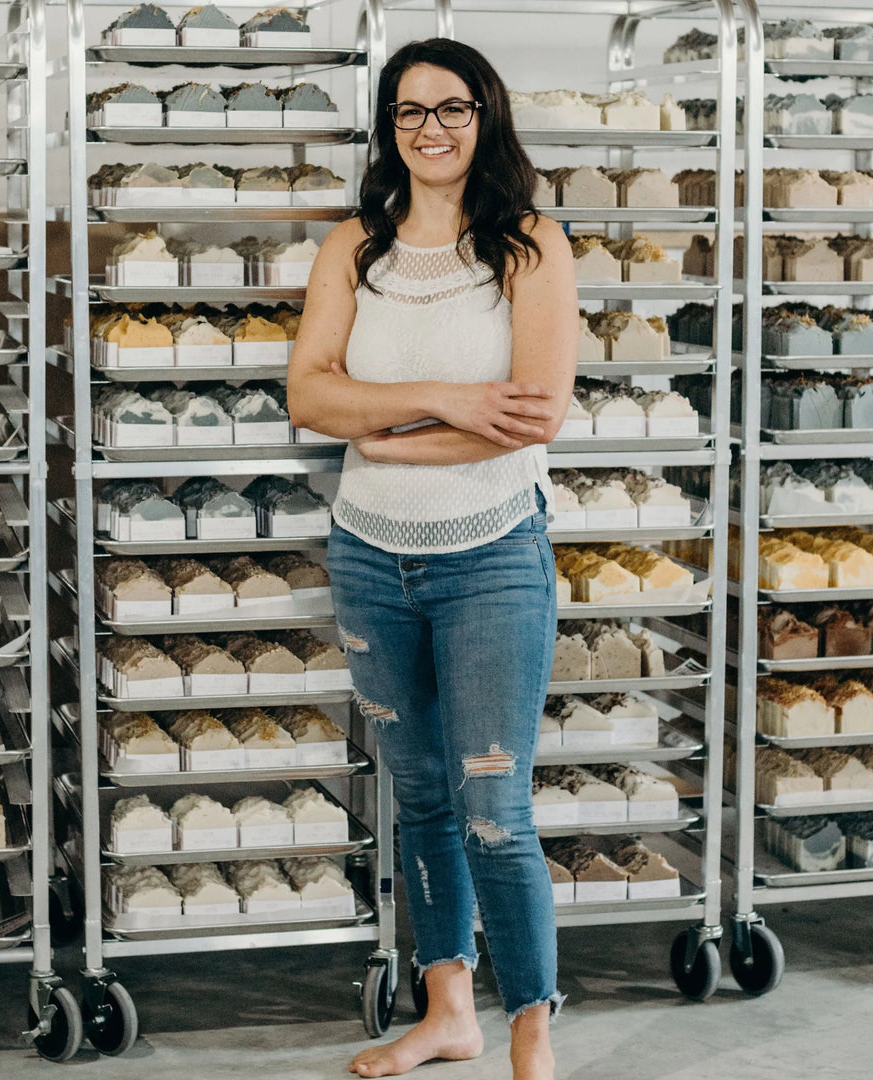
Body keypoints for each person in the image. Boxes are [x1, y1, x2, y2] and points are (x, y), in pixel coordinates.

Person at [287, 36, 578, 1080]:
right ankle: (448, 1010)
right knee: (417, 798)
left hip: (493, 553)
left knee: (494, 809)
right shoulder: (351, 249)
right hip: (371, 556)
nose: (432, 129)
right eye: (410, 112)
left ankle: (532, 1031)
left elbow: (536, 414)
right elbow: (309, 398)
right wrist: (450, 400)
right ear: (389, 130)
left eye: (452, 108)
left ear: (486, 117)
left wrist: (382, 424)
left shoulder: (530, 245)